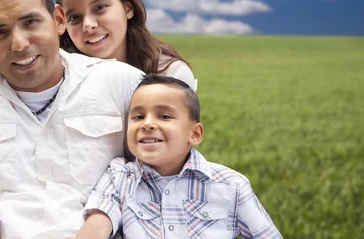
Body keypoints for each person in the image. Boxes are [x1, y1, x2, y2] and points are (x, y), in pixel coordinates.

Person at [0, 0, 143, 238]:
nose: (19, 43)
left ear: (58, 20)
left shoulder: (122, 84)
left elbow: (162, 178)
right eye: (0, 32)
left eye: (31, 22)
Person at [74, 75, 282, 239]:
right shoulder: (119, 177)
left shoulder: (231, 185)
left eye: (164, 116)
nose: (147, 124)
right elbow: (97, 224)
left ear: (195, 134)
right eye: (138, 116)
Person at [56, 0, 197, 91]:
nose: (88, 25)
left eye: (100, 7)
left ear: (128, 8)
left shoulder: (171, 75)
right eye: (74, 18)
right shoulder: (60, 79)